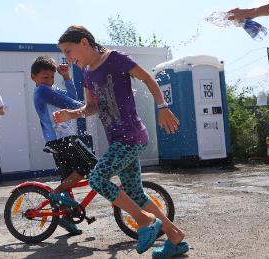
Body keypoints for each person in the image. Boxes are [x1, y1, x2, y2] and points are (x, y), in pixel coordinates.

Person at [56, 25, 188, 257]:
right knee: (136, 193)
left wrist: (162, 106)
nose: (66, 58)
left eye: (69, 51)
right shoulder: (87, 74)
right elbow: (92, 107)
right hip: (118, 141)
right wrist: (72, 113)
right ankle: (174, 235)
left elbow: (147, 78)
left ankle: (144, 220)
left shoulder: (114, 59)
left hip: (132, 137)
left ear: (84, 42)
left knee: (97, 178)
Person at [31, 56, 96, 235]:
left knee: (68, 177)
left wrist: (67, 77)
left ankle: (66, 217)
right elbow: (72, 103)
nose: (49, 81)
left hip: (59, 139)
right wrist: (89, 107)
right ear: (33, 78)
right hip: (62, 139)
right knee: (90, 163)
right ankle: (55, 193)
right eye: (45, 77)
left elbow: (71, 97)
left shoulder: (50, 89)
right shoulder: (42, 91)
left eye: (51, 77)